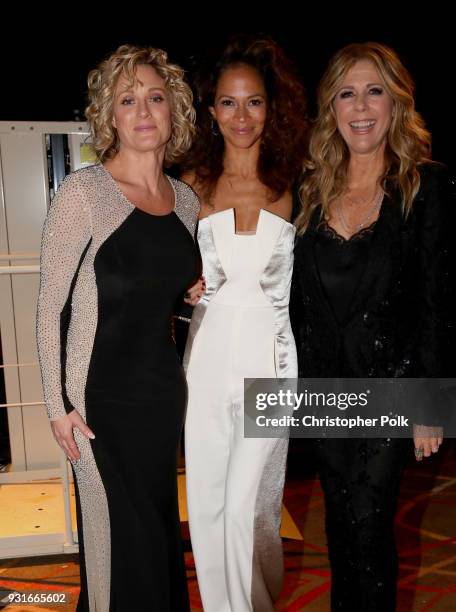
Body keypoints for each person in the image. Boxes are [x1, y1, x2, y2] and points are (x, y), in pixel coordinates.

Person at [36, 44, 202, 611]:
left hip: (161, 397)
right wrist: (56, 406)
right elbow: (49, 307)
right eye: (127, 100)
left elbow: (165, 301)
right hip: (98, 404)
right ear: (109, 116)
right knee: (113, 543)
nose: (144, 111)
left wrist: (189, 297)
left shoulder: (185, 202)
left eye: (155, 97)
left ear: (174, 110)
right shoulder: (82, 194)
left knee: (155, 535)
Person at [291, 42, 453, 611]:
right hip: (325, 391)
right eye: (346, 93)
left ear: (395, 103)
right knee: (338, 534)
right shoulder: (311, 190)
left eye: (374, 90)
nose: (361, 106)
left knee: (369, 532)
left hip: (390, 388)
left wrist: (429, 401)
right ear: (331, 108)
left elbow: (435, 301)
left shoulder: (423, 188)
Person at [181, 35, 308, 611]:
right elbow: (162, 269)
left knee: (244, 508)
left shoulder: (297, 182)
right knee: (206, 505)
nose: (241, 116)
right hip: (205, 361)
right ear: (211, 111)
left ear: (270, 107)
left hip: (272, 363)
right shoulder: (190, 186)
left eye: (253, 101)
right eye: (228, 103)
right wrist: (180, 286)